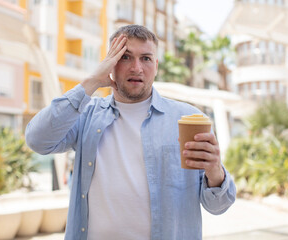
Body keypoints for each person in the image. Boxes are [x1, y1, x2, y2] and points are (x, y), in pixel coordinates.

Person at [25, 25, 236, 240]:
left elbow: (219, 206)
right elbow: (37, 140)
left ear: (156, 65)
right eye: (125, 57)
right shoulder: (86, 116)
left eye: (145, 58)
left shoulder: (187, 119)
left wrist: (214, 171)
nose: (136, 68)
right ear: (110, 63)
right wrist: (92, 82)